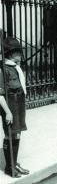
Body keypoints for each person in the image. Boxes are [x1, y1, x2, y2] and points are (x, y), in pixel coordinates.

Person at [0, 37, 29, 177]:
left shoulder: (15, 67)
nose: (20, 55)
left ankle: (14, 162)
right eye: (17, 52)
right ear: (10, 54)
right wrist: (7, 112)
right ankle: (9, 167)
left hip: (19, 103)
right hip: (9, 104)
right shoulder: (3, 70)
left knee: (17, 132)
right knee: (10, 134)